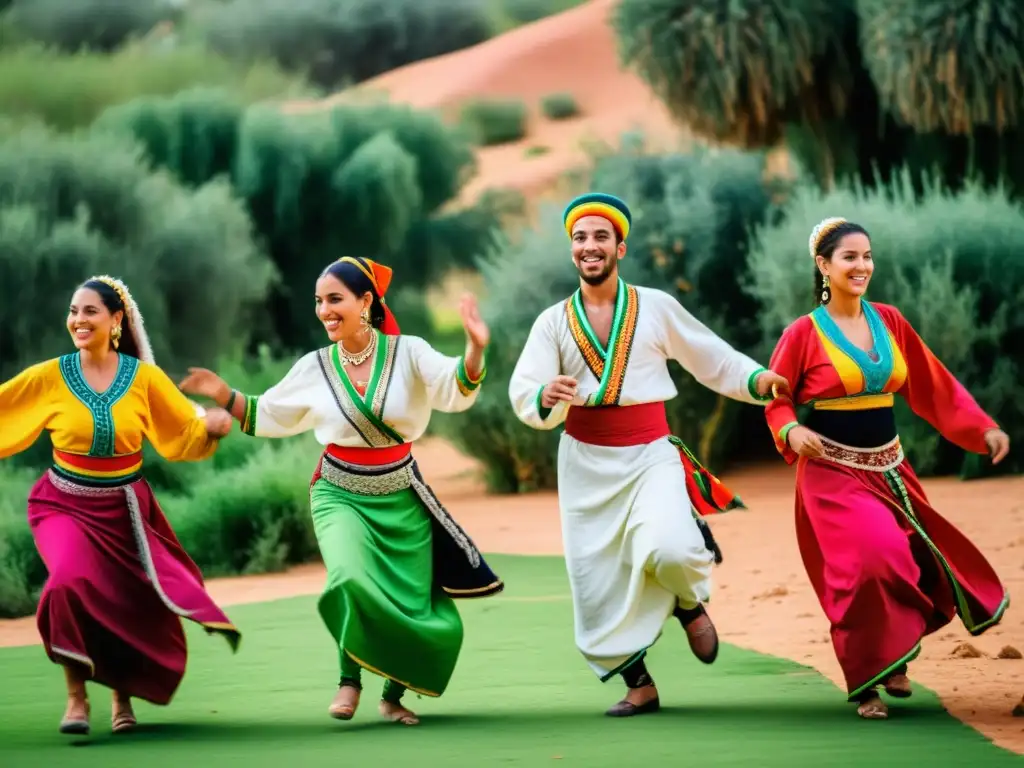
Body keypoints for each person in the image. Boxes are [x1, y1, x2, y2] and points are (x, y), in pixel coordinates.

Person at [179, 256, 503, 727]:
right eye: (319, 302)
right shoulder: (314, 366)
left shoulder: (409, 352)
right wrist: (222, 392)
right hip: (338, 492)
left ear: (366, 301)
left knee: (409, 603)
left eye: (335, 299)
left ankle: (392, 696)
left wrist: (475, 348)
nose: (324, 310)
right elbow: (268, 412)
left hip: (401, 494)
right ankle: (347, 679)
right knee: (350, 577)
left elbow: (456, 385)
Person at [507, 192, 789, 717]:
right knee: (596, 581)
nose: (590, 247)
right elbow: (525, 387)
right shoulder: (552, 322)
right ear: (572, 251)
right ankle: (639, 684)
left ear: (620, 246)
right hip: (584, 462)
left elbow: (712, 357)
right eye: (580, 239)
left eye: (600, 237)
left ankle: (687, 603)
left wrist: (757, 379)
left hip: (649, 454)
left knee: (670, 550)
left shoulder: (655, 306)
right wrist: (543, 397)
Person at [764, 216, 1011, 720]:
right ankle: (867, 684)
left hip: (891, 468)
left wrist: (981, 429)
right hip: (832, 472)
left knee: (905, 559)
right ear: (823, 265)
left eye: (867, 256)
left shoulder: (890, 321)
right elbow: (775, 399)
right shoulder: (802, 334)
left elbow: (931, 383)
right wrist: (791, 431)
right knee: (869, 562)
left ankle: (892, 661)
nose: (862, 265)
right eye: (850, 257)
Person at [0, 275, 240, 736]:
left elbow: (181, 430)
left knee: (125, 599)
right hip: (62, 504)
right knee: (67, 584)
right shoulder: (50, 375)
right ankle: (76, 697)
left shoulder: (144, 379)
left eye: (90, 311)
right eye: (73, 311)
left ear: (116, 321)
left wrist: (211, 427)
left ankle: (121, 698)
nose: (78, 320)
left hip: (124, 508)